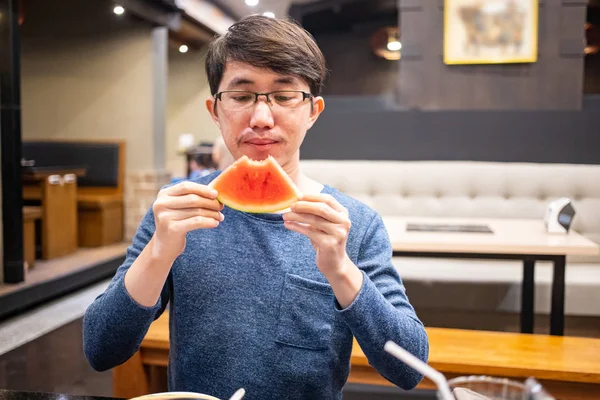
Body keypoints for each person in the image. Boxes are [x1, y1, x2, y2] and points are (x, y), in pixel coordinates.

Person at [82, 15, 428, 400]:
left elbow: (410, 369)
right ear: (214, 110)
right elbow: (101, 349)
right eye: (242, 96)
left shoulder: (354, 224)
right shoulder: (177, 210)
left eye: (284, 96)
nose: (261, 119)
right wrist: (159, 253)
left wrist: (340, 269)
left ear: (313, 111)